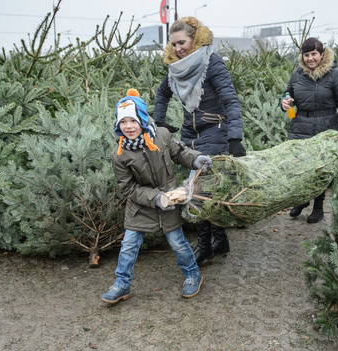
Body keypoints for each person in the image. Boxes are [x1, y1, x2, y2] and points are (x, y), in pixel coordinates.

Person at [101, 88, 213, 304]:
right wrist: (155, 198)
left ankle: (193, 276)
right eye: (123, 122)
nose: (128, 127)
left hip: (170, 201)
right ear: (118, 125)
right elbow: (128, 189)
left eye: (132, 121)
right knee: (129, 246)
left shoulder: (161, 135)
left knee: (178, 242)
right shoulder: (120, 154)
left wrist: (196, 159)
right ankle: (121, 284)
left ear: (142, 119)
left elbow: (180, 153)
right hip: (140, 206)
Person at [153, 16, 246, 265]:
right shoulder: (176, 68)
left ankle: (205, 246)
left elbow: (230, 99)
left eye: (182, 42)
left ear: (194, 39)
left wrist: (235, 136)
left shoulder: (211, 63)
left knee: (199, 191)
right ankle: (220, 240)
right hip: (189, 135)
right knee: (202, 190)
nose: (178, 48)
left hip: (215, 130)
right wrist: (159, 121)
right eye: (174, 44)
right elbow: (162, 94)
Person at [280, 37, 338, 223]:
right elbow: (288, 93)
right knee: (299, 166)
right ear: (302, 57)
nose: (310, 58)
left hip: (326, 126)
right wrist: (285, 103)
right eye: (306, 55)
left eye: (314, 54)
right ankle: (302, 200)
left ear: (322, 54)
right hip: (300, 126)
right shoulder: (298, 74)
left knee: (320, 169)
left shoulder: (335, 74)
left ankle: (318, 207)